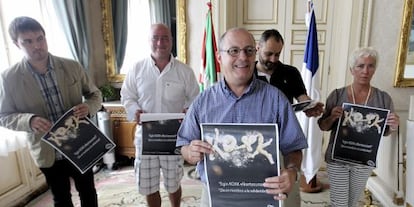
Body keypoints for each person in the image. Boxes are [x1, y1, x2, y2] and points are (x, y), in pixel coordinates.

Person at [176, 27, 308, 206]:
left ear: (255, 54)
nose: (243, 57)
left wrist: (292, 171)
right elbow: (184, 143)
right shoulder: (203, 101)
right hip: (217, 195)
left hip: (264, 196)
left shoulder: (276, 99)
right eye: (234, 51)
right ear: (219, 56)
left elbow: (293, 148)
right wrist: (190, 152)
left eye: (249, 50)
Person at [0, 16, 102, 207]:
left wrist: (88, 107)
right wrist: (28, 121)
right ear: (16, 43)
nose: (37, 46)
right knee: (61, 198)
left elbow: (95, 95)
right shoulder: (9, 78)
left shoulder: (72, 66)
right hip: (48, 152)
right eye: (28, 41)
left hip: (80, 144)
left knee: (88, 192)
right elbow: (3, 116)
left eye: (40, 38)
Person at [120, 23, 199, 207]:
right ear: (149, 41)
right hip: (145, 139)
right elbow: (127, 96)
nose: (160, 42)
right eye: (155, 37)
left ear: (172, 41)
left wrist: (188, 111)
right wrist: (134, 111)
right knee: (149, 185)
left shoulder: (184, 71)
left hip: (173, 137)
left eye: (165, 38)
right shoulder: (137, 69)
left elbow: (196, 99)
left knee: (173, 183)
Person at [318, 47, 400, 207]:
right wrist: (332, 117)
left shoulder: (383, 99)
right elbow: (323, 126)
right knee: (340, 203)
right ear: (351, 69)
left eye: (370, 66)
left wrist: (394, 125)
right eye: (360, 66)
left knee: (352, 202)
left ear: (374, 69)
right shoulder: (337, 95)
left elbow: (385, 132)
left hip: (363, 160)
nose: (365, 71)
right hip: (337, 158)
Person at [254, 29, 324, 117]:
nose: (273, 59)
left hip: (284, 127)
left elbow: (301, 96)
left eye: (277, 55)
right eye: (269, 54)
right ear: (258, 48)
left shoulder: (291, 72)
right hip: (255, 128)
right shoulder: (246, 73)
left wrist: (310, 106)